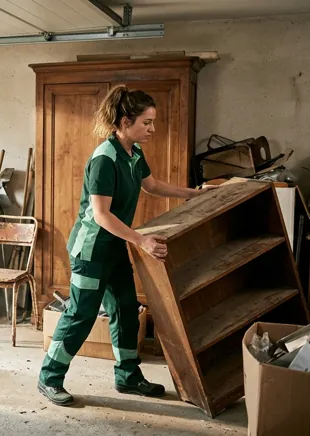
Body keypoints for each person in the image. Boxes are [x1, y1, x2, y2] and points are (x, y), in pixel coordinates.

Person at [37, 85, 214, 406]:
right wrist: (142, 240)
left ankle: (128, 376)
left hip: (115, 247)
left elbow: (152, 185)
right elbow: (102, 215)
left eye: (153, 122)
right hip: (91, 251)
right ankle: (49, 377)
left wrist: (193, 195)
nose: (152, 129)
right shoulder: (104, 159)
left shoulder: (133, 152)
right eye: (146, 122)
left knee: (126, 310)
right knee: (80, 314)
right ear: (123, 121)